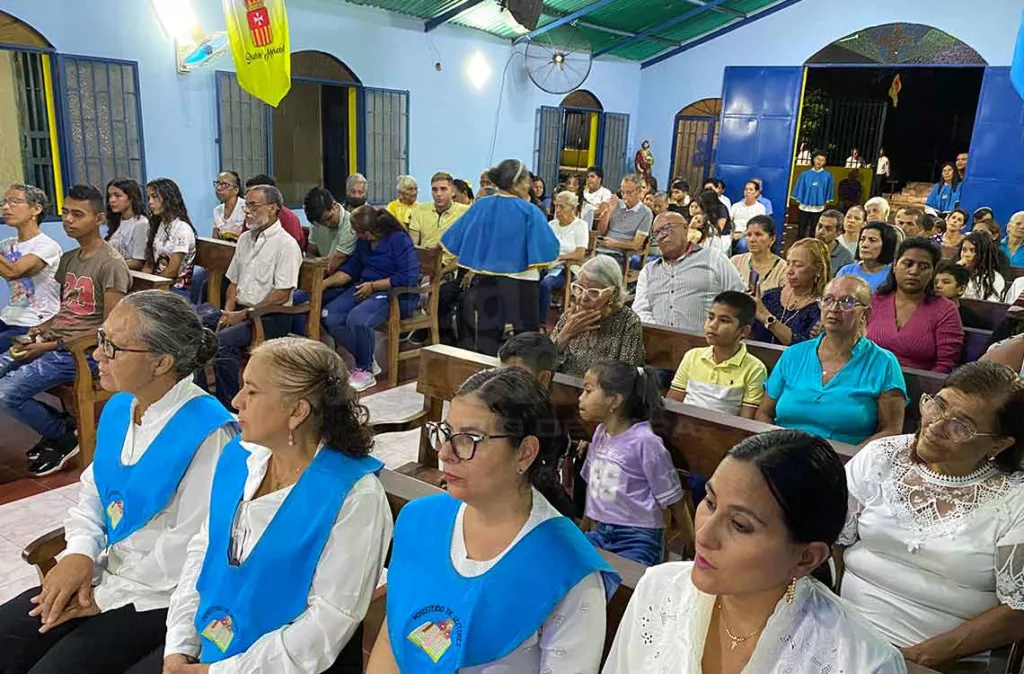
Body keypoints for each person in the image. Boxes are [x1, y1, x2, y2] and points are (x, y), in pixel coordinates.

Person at [0, 291, 234, 673]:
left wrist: (103, 594)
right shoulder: (121, 406)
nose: (96, 355)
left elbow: (194, 548)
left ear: (162, 362)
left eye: (112, 347)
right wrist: (79, 552)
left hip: (159, 598)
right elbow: (95, 493)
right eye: (100, 339)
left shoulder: (208, 432)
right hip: (106, 571)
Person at [164, 337, 391, 674]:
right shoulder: (240, 458)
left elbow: (328, 623)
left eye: (252, 391)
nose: (236, 400)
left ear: (297, 411)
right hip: (211, 645)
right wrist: (179, 646)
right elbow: (203, 551)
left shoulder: (356, 497)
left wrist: (219, 672)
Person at [369, 368, 618, 674]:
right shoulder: (419, 520)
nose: (445, 453)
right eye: (446, 433)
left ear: (525, 453)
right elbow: (393, 638)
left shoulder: (567, 571)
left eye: (469, 439)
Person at [604, 429, 905, 673]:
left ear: (806, 558)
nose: (704, 536)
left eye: (740, 525)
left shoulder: (862, 662)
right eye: (710, 502)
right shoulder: (659, 588)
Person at [837, 361, 1024, 670]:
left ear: (999, 443)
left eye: (961, 426)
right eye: (938, 406)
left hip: (939, 660)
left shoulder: (1016, 499)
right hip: (841, 630)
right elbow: (831, 538)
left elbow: (1017, 612)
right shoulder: (882, 456)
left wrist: (915, 658)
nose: (935, 427)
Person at [0, 185, 131, 476]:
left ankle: (62, 435)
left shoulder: (110, 264)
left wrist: (47, 346)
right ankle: (58, 427)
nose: (68, 220)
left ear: (98, 219)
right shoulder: (71, 259)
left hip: (82, 352)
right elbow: (67, 310)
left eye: (77, 214)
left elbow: (110, 327)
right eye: (65, 213)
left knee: (5, 394)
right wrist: (40, 330)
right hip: (55, 341)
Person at [756, 275, 907, 446]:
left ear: (865, 313)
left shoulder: (883, 363)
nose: (834, 308)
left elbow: (890, 431)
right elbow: (764, 413)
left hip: (844, 463)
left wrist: (850, 462)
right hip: (781, 452)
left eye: (847, 301)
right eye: (827, 300)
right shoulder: (794, 354)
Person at [579, 361, 694, 566]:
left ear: (614, 401)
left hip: (638, 538)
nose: (580, 398)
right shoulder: (599, 433)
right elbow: (593, 489)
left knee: (623, 589)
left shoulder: (646, 442)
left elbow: (675, 501)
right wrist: (583, 532)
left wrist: (693, 550)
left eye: (588, 391)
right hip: (602, 531)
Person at [441, 159, 560, 356]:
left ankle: (484, 380)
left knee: (487, 335)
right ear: (514, 183)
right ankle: (523, 380)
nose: (528, 185)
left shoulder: (481, 206)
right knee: (525, 340)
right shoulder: (530, 211)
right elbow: (549, 250)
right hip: (523, 282)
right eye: (525, 181)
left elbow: (453, 237)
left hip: (487, 280)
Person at [200, 184, 301, 409]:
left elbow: (282, 293)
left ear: (273, 208)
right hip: (239, 311)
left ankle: (229, 407)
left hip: (270, 315)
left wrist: (243, 315)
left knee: (220, 343)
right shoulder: (245, 239)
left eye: (253, 206)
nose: (247, 211)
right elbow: (233, 282)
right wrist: (227, 312)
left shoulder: (286, 245)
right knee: (193, 330)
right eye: (246, 206)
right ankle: (203, 400)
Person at [319, 206, 420, 392]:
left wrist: (374, 286)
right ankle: (367, 358)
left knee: (358, 319)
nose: (354, 235)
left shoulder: (399, 240)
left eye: (357, 232)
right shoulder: (363, 242)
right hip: (366, 287)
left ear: (369, 233)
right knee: (328, 315)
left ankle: (365, 371)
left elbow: (409, 277)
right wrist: (325, 283)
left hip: (397, 294)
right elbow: (353, 268)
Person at [634, 212, 745, 333]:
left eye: (667, 228)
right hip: (659, 344)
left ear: (686, 228)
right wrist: (662, 335)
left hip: (704, 346)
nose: (662, 235)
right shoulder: (649, 271)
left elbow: (738, 298)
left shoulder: (713, 258)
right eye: (657, 233)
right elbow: (640, 310)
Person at [867, 238, 963, 373]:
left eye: (924, 267)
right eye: (908, 264)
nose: (914, 271)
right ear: (894, 266)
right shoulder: (873, 301)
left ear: (933, 272)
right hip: (865, 381)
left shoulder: (945, 310)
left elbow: (946, 364)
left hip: (918, 388)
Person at [668, 291, 767, 419]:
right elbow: (673, 402)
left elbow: (746, 421)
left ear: (743, 331)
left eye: (724, 321)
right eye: (710, 317)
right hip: (684, 428)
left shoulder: (755, 369)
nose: (712, 325)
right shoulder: (692, 356)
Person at [550, 255, 644, 378]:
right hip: (563, 390)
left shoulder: (628, 322)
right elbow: (543, 364)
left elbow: (627, 377)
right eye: (579, 288)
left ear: (613, 293)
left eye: (593, 292)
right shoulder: (570, 317)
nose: (583, 298)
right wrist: (563, 337)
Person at [0, 184, 62, 352]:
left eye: (15, 202)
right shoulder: (7, 245)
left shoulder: (47, 246)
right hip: (7, 318)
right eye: (4, 202)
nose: (6, 207)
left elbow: (13, 271)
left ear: (36, 209)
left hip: (34, 323)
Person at [410, 172, 470, 345]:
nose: (438, 193)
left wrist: (441, 270)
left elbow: (469, 248)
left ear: (452, 191)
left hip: (451, 266)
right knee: (399, 282)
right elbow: (413, 243)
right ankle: (414, 324)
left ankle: (438, 332)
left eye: (443, 189)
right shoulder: (420, 210)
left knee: (438, 290)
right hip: (422, 264)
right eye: (434, 189)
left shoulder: (464, 213)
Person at [751, 238, 828, 346]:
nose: (789, 271)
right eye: (788, 263)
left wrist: (767, 318)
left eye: (798, 265)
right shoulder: (770, 296)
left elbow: (806, 348)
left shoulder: (824, 308)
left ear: (818, 269)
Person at [539, 191, 588, 321]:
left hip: (566, 269)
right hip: (547, 265)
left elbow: (579, 254)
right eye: (556, 206)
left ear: (573, 208)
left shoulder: (580, 226)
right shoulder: (551, 225)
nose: (557, 210)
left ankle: (541, 323)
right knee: (526, 280)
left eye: (562, 207)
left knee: (545, 284)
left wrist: (559, 258)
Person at [143, 178, 196, 297]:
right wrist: (142, 283)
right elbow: (150, 263)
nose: (150, 202)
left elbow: (172, 271)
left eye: (155, 196)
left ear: (169, 198)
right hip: (159, 286)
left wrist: (151, 289)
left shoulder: (182, 229)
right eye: (149, 198)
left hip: (176, 290)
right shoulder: (160, 224)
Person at [595, 175, 653, 265]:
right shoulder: (616, 204)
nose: (625, 196)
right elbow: (600, 232)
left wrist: (614, 243)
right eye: (622, 192)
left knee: (597, 271)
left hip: (619, 254)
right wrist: (608, 212)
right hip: (599, 249)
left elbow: (636, 245)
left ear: (639, 191)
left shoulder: (646, 213)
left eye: (629, 193)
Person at [302, 186, 358, 270]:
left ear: (335, 205)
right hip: (318, 271)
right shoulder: (316, 223)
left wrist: (315, 262)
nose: (327, 225)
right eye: (322, 223)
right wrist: (315, 261)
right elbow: (310, 254)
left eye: (329, 218)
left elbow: (331, 267)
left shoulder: (350, 225)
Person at [245, 175, 306, 248]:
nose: (247, 210)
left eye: (253, 203)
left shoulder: (289, 219)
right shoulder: (249, 217)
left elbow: (295, 248)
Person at [836, 221, 898, 292]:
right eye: (862, 239)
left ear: (886, 245)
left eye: (872, 240)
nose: (864, 245)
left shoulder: (893, 275)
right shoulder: (846, 271)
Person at [731, 215, 787, 292]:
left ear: (772, 239)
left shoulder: (782, 268)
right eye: (749, 235)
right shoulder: (735, 261)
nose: (752, 239)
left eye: (758, 234)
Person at [105, 178, 148, 269]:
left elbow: (137, 262)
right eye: (110, 196)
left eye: (118, 195)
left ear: (131, 197)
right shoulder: (117, 221)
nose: (112, 200)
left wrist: (107, 266)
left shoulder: (141, 223)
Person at [791, 151, 834, 240]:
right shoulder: (805, 174)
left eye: (822, 160)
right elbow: (800, 187)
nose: (819, 162)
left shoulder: (827, 176)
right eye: (818, 159)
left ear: (825, 162)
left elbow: (828, 190)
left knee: (815, 231)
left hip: (818, 208)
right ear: (814, 159)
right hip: (804, 207)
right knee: (801, 230)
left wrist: (825, 201)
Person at [958, 231, 1006, 301]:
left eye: (973, 250)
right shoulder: (956, 272)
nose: (966, 255)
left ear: (983, 253)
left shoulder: (995, 279)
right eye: (964, 250)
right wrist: (955, 271)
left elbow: (992, 306)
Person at [728, 181, 767, 254]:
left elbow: (758, 227)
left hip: (748, 235)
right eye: (746, 189)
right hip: (732, 233)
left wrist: (742, 234)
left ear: (756, 192)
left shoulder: (760, 208)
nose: (747, 192)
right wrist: (731, 234)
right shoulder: (736, 206)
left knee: (742, 245)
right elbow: (729, 221)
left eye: (751, 189)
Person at [815, 208, 854, 276]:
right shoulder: (804, 249)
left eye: (828, 229)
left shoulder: (846, 258)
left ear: (838, 233)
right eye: (820, 226)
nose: (821, 232)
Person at [211, 171, 245, 241]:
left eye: (224, 185)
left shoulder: (246, 207)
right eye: (217, 184)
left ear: (236, 190)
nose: (219, 188)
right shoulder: (217, 210)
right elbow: (215, 239)